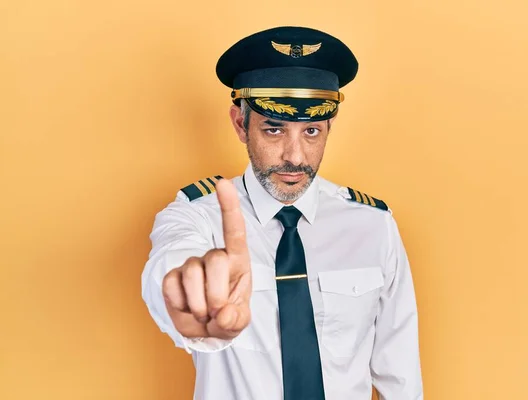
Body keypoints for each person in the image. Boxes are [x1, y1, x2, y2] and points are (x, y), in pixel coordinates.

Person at [141, 26, 423, 400]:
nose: (295, 156)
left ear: (329, 126)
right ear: (241, 124)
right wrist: (192, 303)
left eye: (311, 132)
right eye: (274, 129)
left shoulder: (373, 225)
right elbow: (171, 261)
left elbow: (399, 374)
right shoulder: (199, 217)